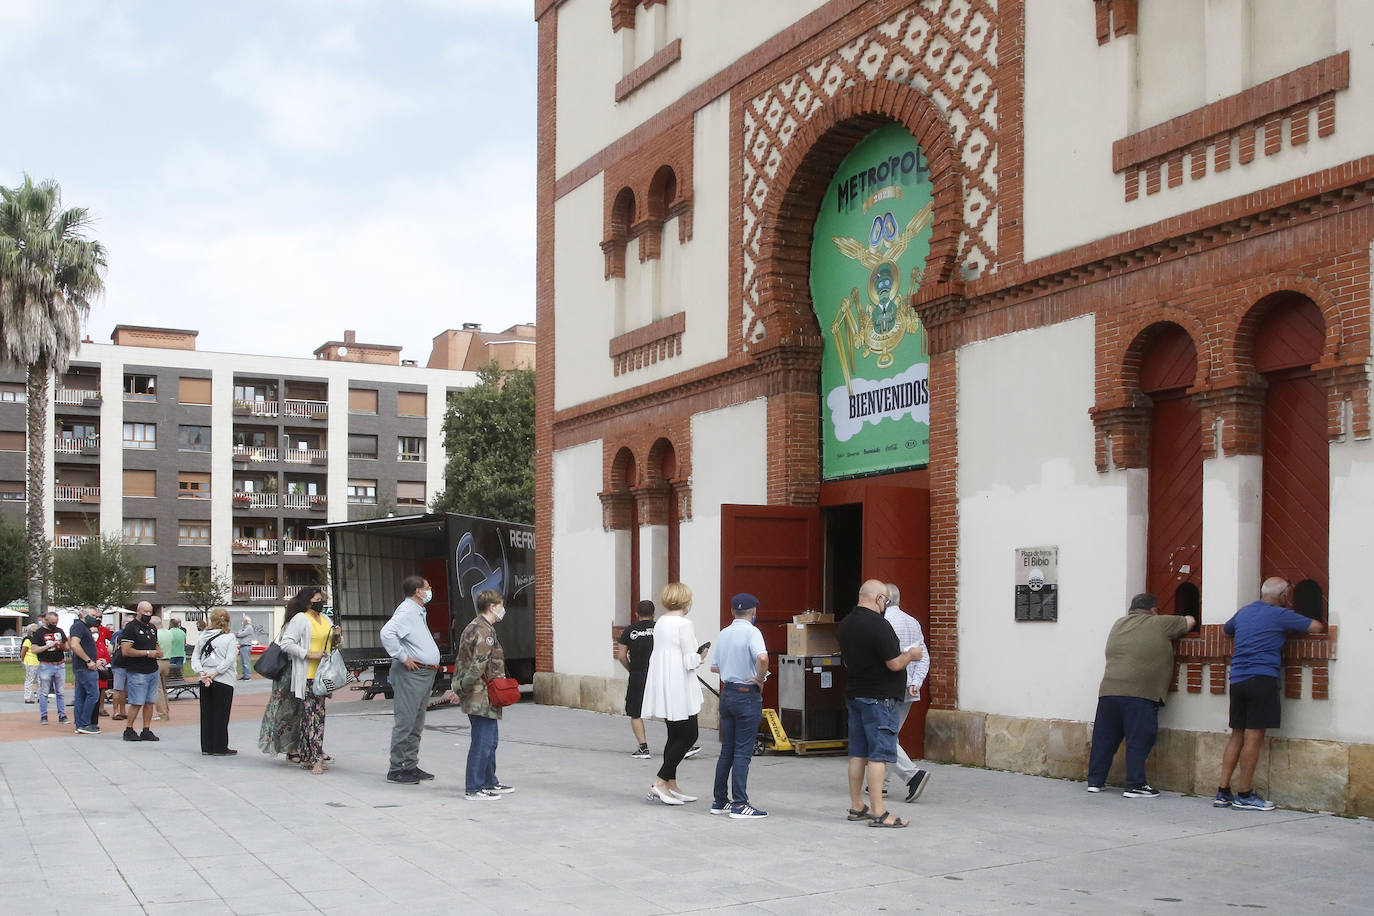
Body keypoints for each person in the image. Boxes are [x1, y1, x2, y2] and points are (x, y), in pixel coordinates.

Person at [1214, 577, 1326, 811]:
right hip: (1262, 678)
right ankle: (1244, 795)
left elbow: (1227, 629)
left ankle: (1223, 792)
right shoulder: (1280, 614)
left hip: (1238, 679)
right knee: (1253, 738)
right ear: (1284, 596)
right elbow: (1317, 627)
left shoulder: (1244, 612)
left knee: (1237, 735)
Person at [1086, 593, 1194, 798]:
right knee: (1139, 739)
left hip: (1109, 690)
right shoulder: (1160, 623)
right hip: (1140, 693)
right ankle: (1135, 784)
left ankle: (1095, 781)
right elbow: (1190, 621)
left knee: (1104, 738)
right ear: (1153, 610)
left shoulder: (1119, 624)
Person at [836, 579, 924, 828]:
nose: (886, 604)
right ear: (878, 599)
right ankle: (879, 811)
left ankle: (857, 806)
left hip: (855, 694)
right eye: (885, 600)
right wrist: (911, 655)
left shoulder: (846, 624)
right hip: (879, 698)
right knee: (878, 755)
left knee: (857, 754)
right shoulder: (879, 625)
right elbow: (894, 663)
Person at [640, 582, 709, 806]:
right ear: (686, 600)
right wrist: (702, 656)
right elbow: (690, 661)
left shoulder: (660, 622)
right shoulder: (684, 624)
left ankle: (670, 782)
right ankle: (661, 781)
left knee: (675, 733)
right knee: (689, 734)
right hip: (680, 683)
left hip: (665, 681)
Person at [443, 589, 514, 801]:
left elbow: (461, 660)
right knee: (483, 742)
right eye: (500, 605)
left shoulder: (473, 626)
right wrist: (459, 689)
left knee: (490, 741)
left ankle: (489, 781)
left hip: (479, 694)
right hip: (480, 695)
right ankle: (474, 787)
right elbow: (477, 666)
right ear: (492, 607)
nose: (502, 610)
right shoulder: (485, 631)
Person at [708, 592, 770, 818]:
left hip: (728, 693)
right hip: (747, 694)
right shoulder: (753, 632)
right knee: (743, 752)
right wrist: (760, 679)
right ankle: (740, 803)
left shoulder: (724, 633)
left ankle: (720, 800)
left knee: (727, 750)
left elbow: (715, 668)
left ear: (732, 611)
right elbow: (762, 658)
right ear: (754, 612)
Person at [380, 575, 441, 785]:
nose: (430, 590)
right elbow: (387, 633)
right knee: (406, 721)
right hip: (412, 675)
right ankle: (396, 768)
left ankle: (410, 764)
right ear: (418, 591)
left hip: (424, 673)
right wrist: (403, 657)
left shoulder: (418, 611)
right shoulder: (406, 611)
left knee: (416, 722)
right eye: (427, 587)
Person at [277, 587, 339, 775]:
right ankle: (316, 758)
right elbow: (286, 643)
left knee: (312, 716)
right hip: (307, 676)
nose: (320, 602)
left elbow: (331, 643)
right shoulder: (300, 619)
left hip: (323, 675)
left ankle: (306, 754)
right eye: (316, 600)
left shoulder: (326, 619)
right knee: (314, 717)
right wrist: (308, 654)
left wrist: (337, 636)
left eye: (321, 599)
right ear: (307, 601)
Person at [883, 583, 932, 803]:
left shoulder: (883, 623)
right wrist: (917, 681)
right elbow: (923, 655)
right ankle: (880, 782)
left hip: (889, 686)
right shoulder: (912, 621)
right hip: (909, 687)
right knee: (890, 734)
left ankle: (912, 774)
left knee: (883, 735)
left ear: (883, 599)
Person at [258, 589, 313, 764]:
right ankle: (289, 747)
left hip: (295, 671)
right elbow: (287, 646)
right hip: (287, 673)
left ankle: (297, 746)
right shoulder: (293, 624)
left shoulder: (297, 622)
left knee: (297, 710)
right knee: (288, 711)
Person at [192, 608, 239, 756]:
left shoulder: (202, 636)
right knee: (221, 713)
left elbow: (195, 657)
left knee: (206, 712)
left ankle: (207, 745)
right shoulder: (229, 637)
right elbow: (230, 659)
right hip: (223, 679)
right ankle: (219, 745)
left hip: (204, 677)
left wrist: (202, 672)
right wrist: (216, 672)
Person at [616, 599, 656, 759]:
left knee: (635, 712)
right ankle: (681, 746)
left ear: (636, 614)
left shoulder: (630, 631)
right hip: (657, 675)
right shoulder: (659, 629)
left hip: (638, 675)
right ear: (653, 614)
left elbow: (621, 656)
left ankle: (643, 747)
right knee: (669, 710)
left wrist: (632, 669)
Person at [119, 601, 163, 742]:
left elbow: (156, 644)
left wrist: (158, 651)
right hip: (137, 670)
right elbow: (126, 651)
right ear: (138, 611)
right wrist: (147, 653)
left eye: (150, 612)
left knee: (150, 702)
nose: (148, 615)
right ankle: (129, 729)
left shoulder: (151, 628)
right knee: (137, 702)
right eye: (145, 612)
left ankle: (146, 729)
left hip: (152, 669)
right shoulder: (131, 628)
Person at [67, 608, 103, 735]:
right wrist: (88, 661)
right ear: (83, 614)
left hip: (84, 666)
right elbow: (74, 644)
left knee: (81, 696)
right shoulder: (79, 626)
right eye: (92, 615)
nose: (95, 618)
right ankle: (85, 723)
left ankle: (81, 724)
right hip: (84, 667)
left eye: (96, 616)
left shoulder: (83, 627)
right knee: (93, 694)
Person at [33, 610, 69, 725]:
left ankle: (62, 715)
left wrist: (61, 645)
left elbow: (67, 646)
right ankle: (44, 715)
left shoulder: (59, 631)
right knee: (44, 692)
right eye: (52, 623)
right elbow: (34, 649)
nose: (54, 625)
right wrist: (47, 646)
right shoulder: (39, 633)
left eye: (56, 623)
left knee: (60, 692)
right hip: (45, 665)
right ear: (46, 620)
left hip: (60, 664)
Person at [110, 613, 130, 721]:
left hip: (128, 665)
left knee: (124, 690)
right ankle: (115, 711)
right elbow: (110, 648)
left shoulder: (131, 634)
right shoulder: (118, 634)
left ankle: (122, 711)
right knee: (118, 688)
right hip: (119, 665)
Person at [151, 616, 171, 721]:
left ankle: (161, 713)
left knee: (158, 689)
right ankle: (166, 710)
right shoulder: (168, 633)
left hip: (158, 661)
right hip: (167, 661)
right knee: (164, 688)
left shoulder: (155, 634)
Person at [20, 623, 40, 703]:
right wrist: (22, 660)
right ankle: (27, 697)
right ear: (31, 632)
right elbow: (23, 651)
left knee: (40, 681)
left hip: (38, 661)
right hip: (30, 661)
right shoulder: (28, 640)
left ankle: (40, 697)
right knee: (29, 679)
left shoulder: (37, 639)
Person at [235, 615, 256, 680]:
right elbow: (239, 633)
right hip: (243, 646)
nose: (242, 622)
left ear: (246, 621)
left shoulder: (249, 628)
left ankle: (247, 675)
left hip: (246, 646)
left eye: (243, 620)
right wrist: (238, 633)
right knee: (243, 661)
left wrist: (238, 634)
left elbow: (240, 634)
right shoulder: (244, 628)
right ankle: (244, 674)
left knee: (246, 661)